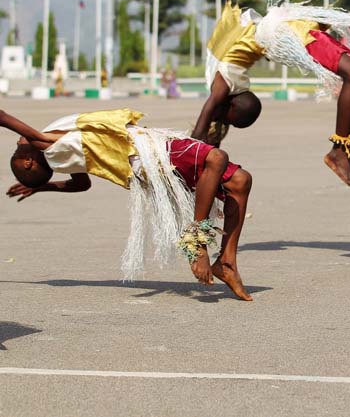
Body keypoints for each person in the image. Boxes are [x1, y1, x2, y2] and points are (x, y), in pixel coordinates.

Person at [3, 108, 255, 300]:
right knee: (216, 156)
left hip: (151, 158)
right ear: (28, 162)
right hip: (152, 154)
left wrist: (42, 186)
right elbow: (5, 118)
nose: (18, 144)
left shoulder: (63, 156)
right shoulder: (46, 145)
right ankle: (195, 244)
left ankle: (226, 262)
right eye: (17, 150)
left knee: (240, 181)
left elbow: (81, 185)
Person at [193, 2, 350, 189]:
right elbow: (213, 130)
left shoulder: (221, 85)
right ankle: (340, 153)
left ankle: (345, 152)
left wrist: (192, 153)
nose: (229, 122)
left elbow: (204, 123)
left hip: (282, 31)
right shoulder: (231, 86)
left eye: (231, 120)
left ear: (231, 106)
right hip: (285, 33)